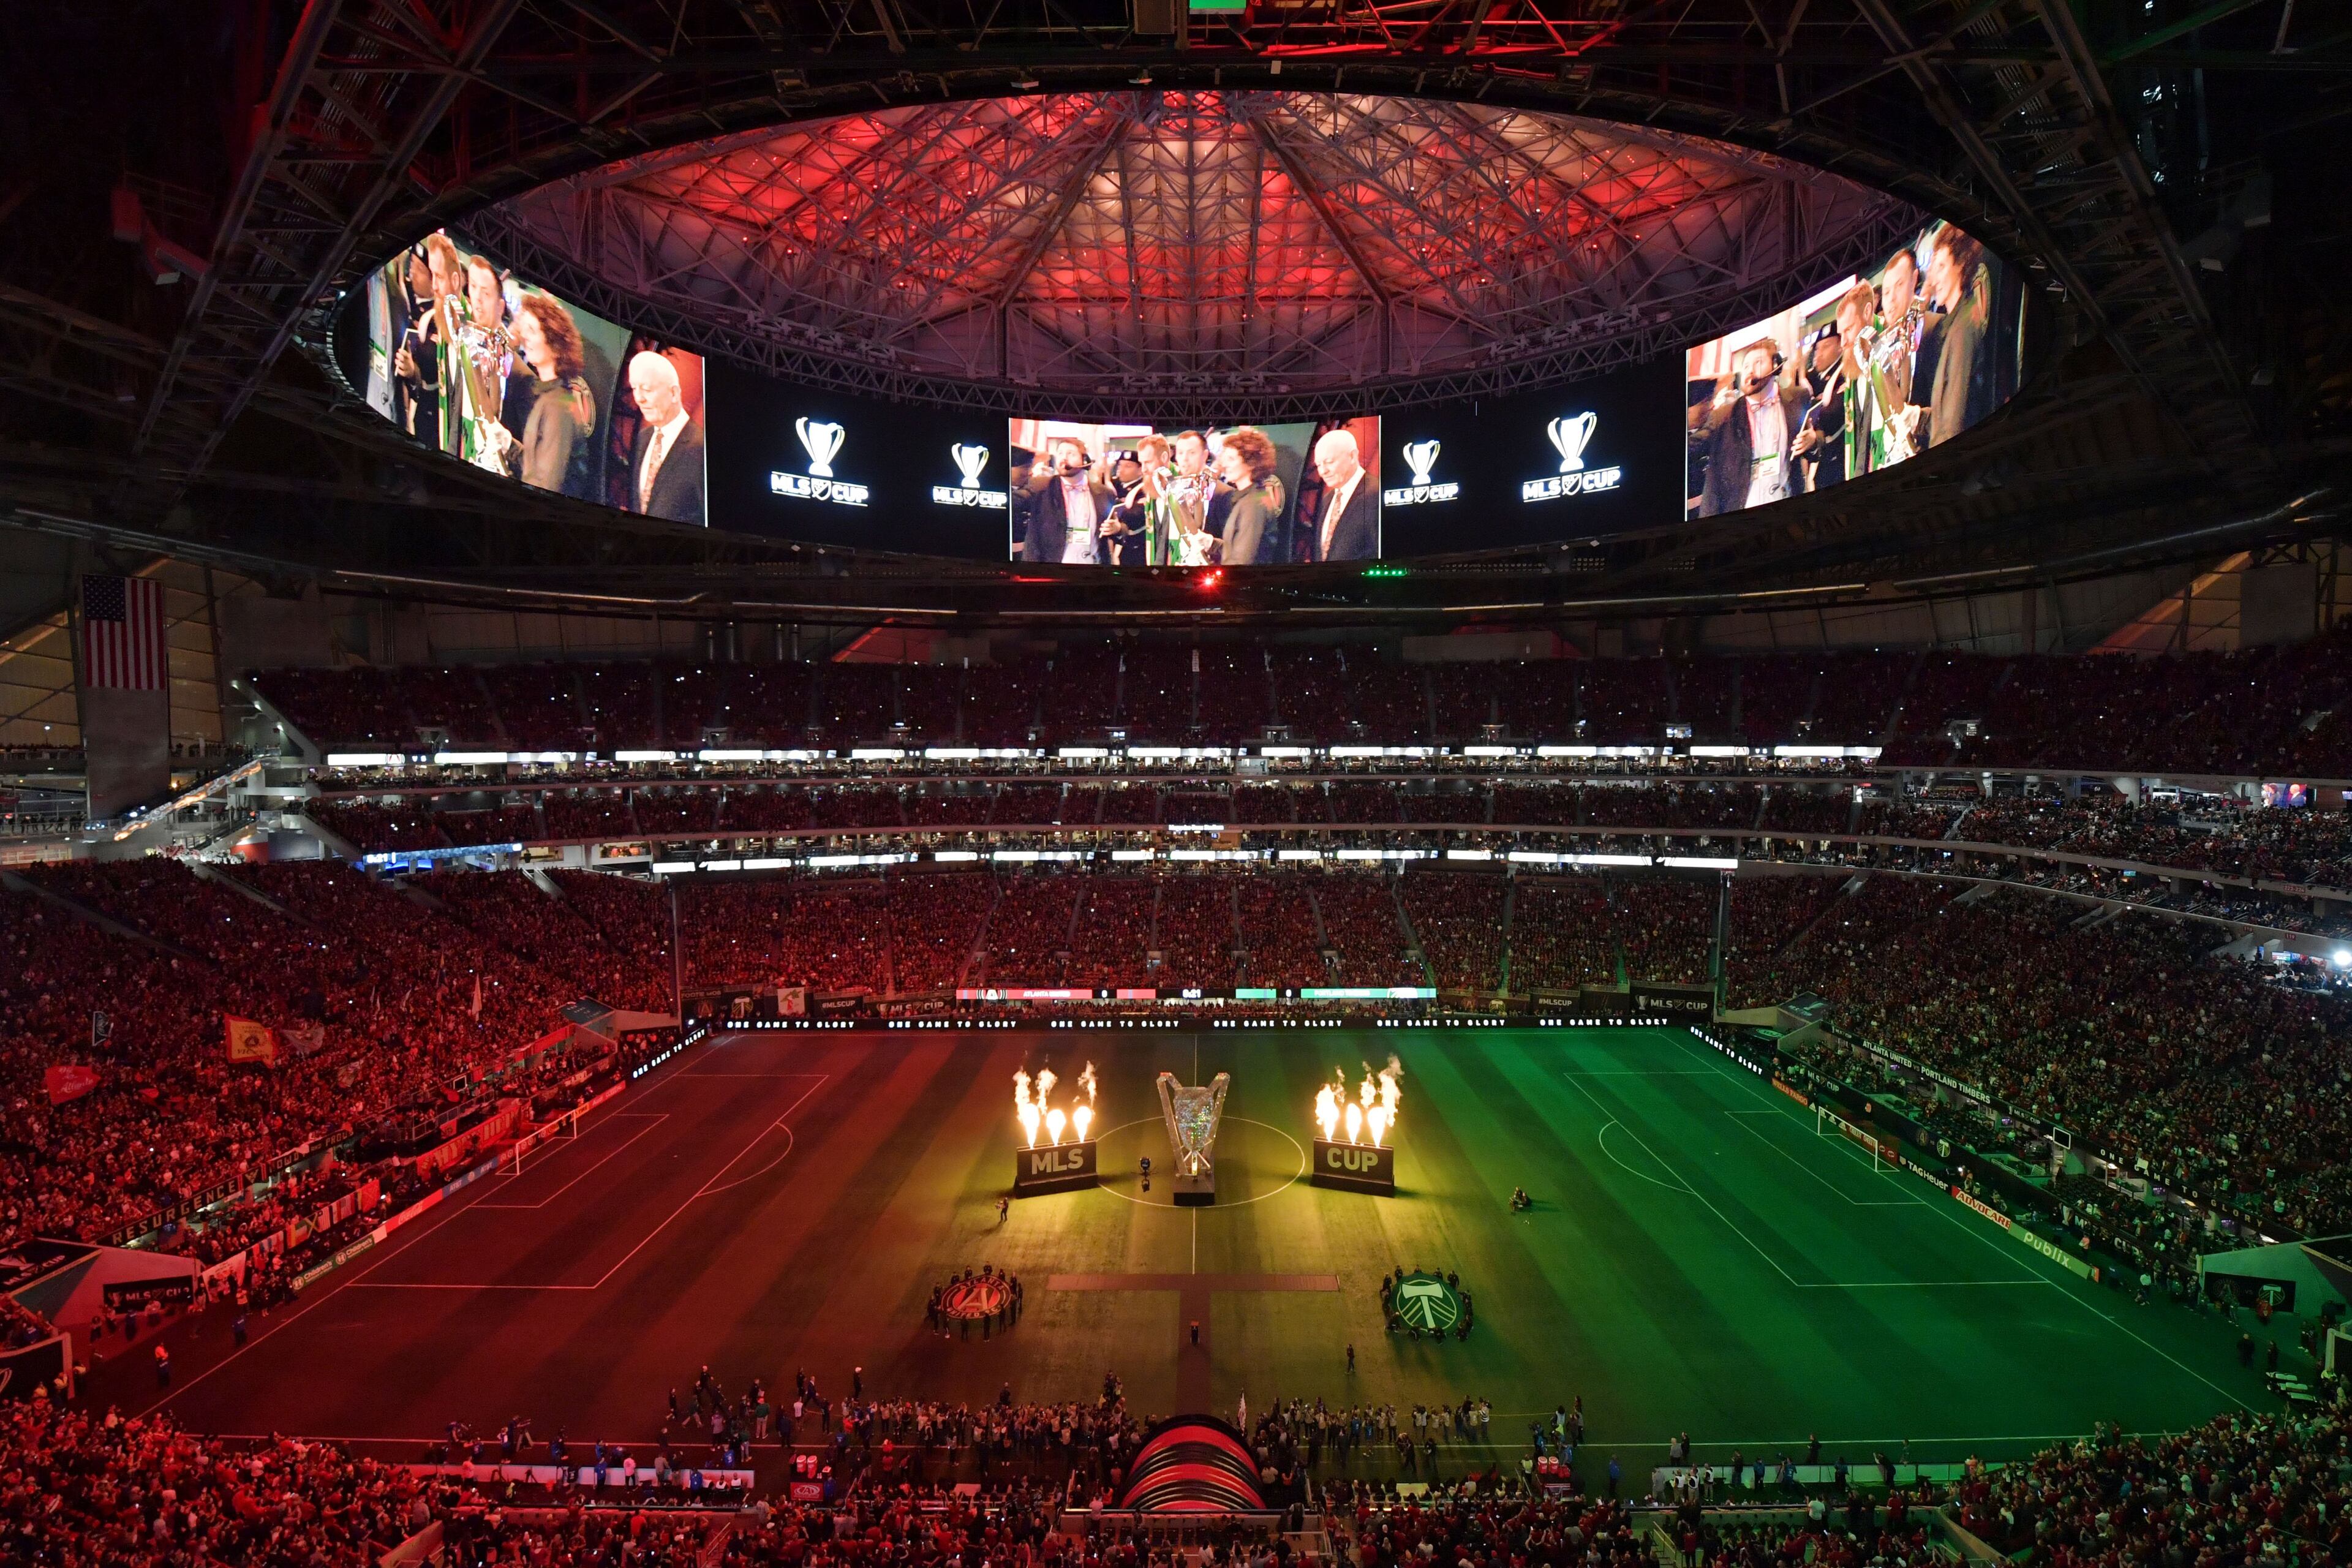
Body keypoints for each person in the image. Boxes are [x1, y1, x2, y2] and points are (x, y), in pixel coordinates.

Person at [1690, 339, 1803, 516]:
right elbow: (1691, 449)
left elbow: (1814, 434)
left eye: (1758, 363)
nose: (1750, 370)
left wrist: (1814, 440)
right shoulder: (1724, 416)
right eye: (1746, 366)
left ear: (1776, 366)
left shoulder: (1797, 399)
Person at [510, 292, 598, 499]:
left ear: (555, 346)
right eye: (525, 330)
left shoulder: (558, 406)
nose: (525, 337)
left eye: (532, 331)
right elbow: (537, 467)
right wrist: (508, 445)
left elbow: (546, 485)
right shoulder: (552, 396)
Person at [625, 351, 705, 523]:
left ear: (674, 393)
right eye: (634, 388)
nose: (639, 398)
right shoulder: (643, 439)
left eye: (647, 389)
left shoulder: (701, 448)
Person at [1019, 437, 1116, 564]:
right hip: (1053, 568)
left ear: (1085, 460)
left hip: (1093, 567)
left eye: (1071, 454)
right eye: (1060, 453)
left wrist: (1117, 528)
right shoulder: (1041, 487)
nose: (1064, 458)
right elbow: (1016, 502)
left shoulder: (1104, 493)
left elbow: (1119, 527)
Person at [1212, 426, 1283, 566]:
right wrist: (1212, 544)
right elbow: (1236, 550)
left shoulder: (1254, 503)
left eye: (1231, 459)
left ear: (1251, 463)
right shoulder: (1248, 498)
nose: (1224, 465)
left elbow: (1242, 561)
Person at [1304, 427, 1378, 562]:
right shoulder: (1328, 500)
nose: (1323, 471)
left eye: (1329, 462)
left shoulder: (1376, 494)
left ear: (1352, 456)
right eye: (1319, 465)